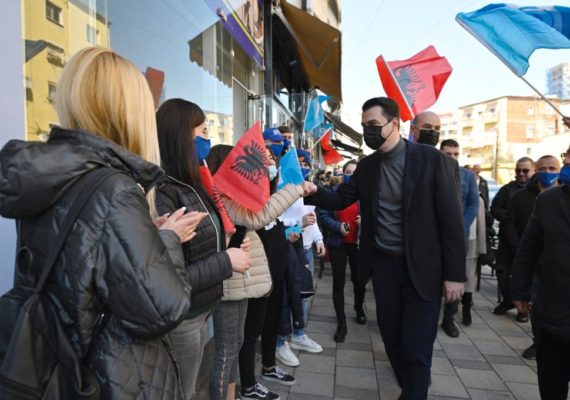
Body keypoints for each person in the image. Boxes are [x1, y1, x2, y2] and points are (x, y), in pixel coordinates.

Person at [0, 47, 200, 399]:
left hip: (59, 365)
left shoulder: (50, 175)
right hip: (109, 376)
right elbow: (163, 308)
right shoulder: (114, 188)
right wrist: (167, 239)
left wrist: (146, 237)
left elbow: (81, 263)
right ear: (128, 111)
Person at [302, 97, 466, 399]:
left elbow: (452, 221)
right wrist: (313, 192)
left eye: (374, 125)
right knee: (391, 340)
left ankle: (414, 388)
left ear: (394, 124)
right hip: (384, 267)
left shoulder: (433, 161)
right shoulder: (368, 166)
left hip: (423, 269)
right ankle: (414, 383)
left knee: (417, 347)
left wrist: (455, 275)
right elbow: (341, 198)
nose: (368, 131)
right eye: (364, 126)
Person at [155, 98, 252, 400]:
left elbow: (198, 244)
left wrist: (229, 245)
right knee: (180, 391)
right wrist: (227, 260)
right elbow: (173, 276)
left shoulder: (193, 185)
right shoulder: (164, 192)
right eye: (204, 131)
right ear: (181, 135)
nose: (208, 139)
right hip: (182, 318)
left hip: (200, 310)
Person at [207, 144, 303, 400]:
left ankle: (235, 393)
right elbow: (257, 217)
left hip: (247, 281)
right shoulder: (221, 196)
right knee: (228, 351)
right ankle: (244, 388)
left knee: (237, 343)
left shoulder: (230, 196)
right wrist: (297, 189)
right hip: (232, 282)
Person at [511, 160, 570, 400]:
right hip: (553, 315)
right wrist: (519, 290)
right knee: (552, 387)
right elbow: (529, 248)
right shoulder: (549, 200)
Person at [504, 155, 561, 360]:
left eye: (552, 168)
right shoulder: (522, 196)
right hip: (535, 263)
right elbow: (509, 222)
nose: (547, 173)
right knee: (537, 306)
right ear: (536, 171)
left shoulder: (562, 197)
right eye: (543, 169)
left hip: (558, 265)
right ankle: (539, 342)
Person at [318, 159, 367, 343]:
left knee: (359, 280)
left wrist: (365, 221)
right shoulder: (333, 193)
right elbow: (323, 216)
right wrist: (337, 226)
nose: (351, 176)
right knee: (338, 282)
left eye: (355, 173)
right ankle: (341, 323)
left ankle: (359, 307)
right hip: (338, 243)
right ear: (342, 174)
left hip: (357, 244)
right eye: (348, 172)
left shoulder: (366, 194)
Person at [440, 139, 479, 338]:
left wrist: (461, 227)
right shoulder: (433, 171)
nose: (453, 158)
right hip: (434, 233)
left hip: (458, 235)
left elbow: (473, 203)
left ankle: (449, 318)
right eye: (448, 154)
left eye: (456, 154)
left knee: (456, 274)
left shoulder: (468, 176)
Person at [491, 157, 535, 315]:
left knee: (526, 275)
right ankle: (508, 300)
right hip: (507, 240)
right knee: (502, 272)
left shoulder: (539, 191)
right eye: (518, 170)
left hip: (529, 241)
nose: (521, 173)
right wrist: (509, 217)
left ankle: (523, 310)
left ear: (533, 171)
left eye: (525, 170)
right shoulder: (507, 189)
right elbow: (495, 208)